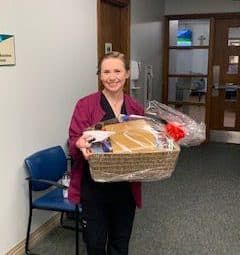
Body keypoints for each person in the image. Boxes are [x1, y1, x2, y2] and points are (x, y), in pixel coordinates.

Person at [68, 51, 144, 255]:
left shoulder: (135, 108)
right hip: (94, 187)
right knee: (94, 243)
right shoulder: (85, 105)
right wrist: (79, 143)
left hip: (125, 187)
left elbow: (143, 144)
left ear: (127, 73)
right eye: (106, 72)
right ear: (100, 76)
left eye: (118, 71)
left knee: (120, 243)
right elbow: (74, 138)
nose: (112, 77)